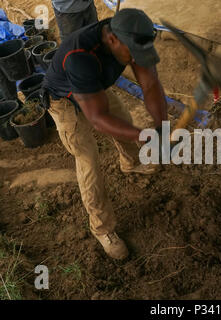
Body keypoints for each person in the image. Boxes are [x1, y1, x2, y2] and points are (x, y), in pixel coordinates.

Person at [41, 9, 168, 260]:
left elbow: (151, 85)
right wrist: (143, 136)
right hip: (63, 99)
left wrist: (161, 125)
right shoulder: (80, 57)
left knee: (125, 122)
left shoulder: (132, 36)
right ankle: (102, 229)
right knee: (89, 161)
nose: (137, 60)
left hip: (92, 85)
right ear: (112, 40)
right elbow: (98, 120)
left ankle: (131, 163)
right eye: (133, 55)